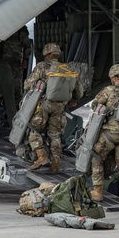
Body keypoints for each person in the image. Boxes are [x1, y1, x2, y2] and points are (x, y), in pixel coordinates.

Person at [23, 43, 87, 173]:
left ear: (47, 54)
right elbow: (79, 91)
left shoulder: (41, 67)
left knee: (33, 131)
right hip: (60, 107)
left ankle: (42, 156)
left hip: (43, 105)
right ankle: (56, 161)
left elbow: (27, 85)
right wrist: (74, 100)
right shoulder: (68, 69)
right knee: (55, 135)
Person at [87, 64, 119, 207]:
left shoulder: (109, 90)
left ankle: (97, 191)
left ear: (114, 77)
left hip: (112, 132)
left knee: (96, 157)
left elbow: (95, 105)